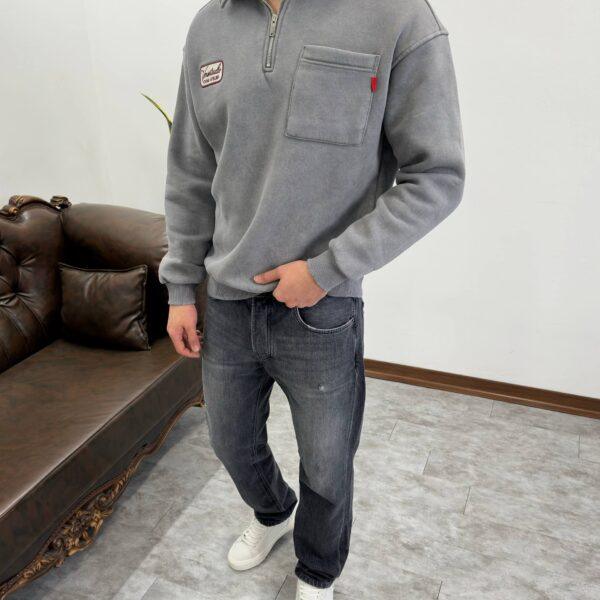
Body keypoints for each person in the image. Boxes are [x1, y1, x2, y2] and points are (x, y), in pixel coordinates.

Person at [158, 0, 465, 596]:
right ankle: (273, 512)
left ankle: (318, 570)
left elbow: (437, 177)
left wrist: (328, 270)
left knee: (327, 462)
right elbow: (191, 172)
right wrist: (180, 287)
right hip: (226, 298)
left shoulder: (396, 15)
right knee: (229, 441)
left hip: (320, 308)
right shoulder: (210, 25)